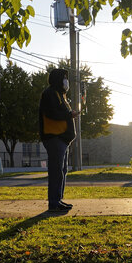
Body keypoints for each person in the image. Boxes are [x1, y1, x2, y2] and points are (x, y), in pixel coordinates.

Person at [39, 68, 78, 212]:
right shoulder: (49, 93)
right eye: (64, 77)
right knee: (56, 171)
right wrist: (69, 115)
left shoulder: (60, 95)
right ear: (57, 79)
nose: (66, 81)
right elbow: (52, 113)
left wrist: (69, 114)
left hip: (62, 139)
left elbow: (61, 112)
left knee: (62, 170)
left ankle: (58, 199)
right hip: (54, 137)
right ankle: (54, 203)